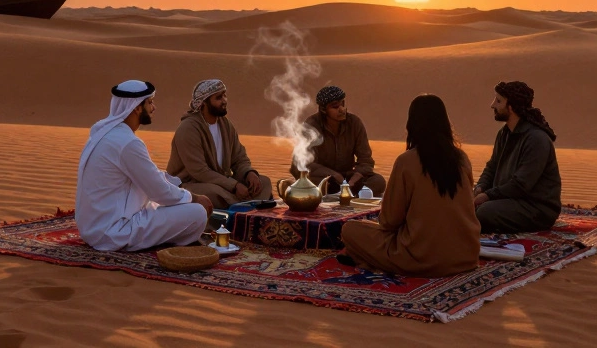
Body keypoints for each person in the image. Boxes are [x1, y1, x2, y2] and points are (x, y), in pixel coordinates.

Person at [337, 95, 481, 277]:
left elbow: (389, 220)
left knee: (350, 230)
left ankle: (368, 259)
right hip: (465, 256)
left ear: (412, 124)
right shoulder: (462, 158)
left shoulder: (406, 161)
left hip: (421, 257)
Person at [75, 80, 212, 251]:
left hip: (92, 228)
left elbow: (150, 177)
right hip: (113, 232)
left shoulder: (103, 134)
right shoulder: (128, 143)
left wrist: (177, 186)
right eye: (150, 102)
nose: (154, 107)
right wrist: (194, 198)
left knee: (171, 202)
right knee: (197, 213)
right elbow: (160, 193)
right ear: (136, 108)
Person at [166, 79, 273, 209]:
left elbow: (239, 158)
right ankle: (246, 207)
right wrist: (233, 186)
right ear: (204, 103)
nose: (224, 101)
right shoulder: (188, 129)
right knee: (215, 194)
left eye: (224, 95)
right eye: (218, 98)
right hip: (191, 184)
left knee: (264, 182)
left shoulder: (225, 125)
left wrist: (249, 173)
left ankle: (243, 206)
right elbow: (200, 172)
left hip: (222, 182)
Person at [473, 81, 562, 233]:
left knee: (484, 211)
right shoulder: (504, 133)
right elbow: (492, 167)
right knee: (464, 207)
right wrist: (479, 189)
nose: (492, 105)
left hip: (536, 207)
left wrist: (487, 196)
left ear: (511, 107)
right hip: (508, 200)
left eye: (498, 101)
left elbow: (521, 184)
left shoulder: (536, 139)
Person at [292, 85, 386, 197]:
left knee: (378, 182)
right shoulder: (311, 125)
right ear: (323, 110)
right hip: (324, 178)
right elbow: (304, 163)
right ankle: (343, 193)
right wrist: (333, 174)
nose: (342, 109)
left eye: (343, 104)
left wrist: (355, 178)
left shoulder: (354, 123)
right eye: (335, 107)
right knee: (309, 181)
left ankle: (347, 193)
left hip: (348, 178)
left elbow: (365, 159)